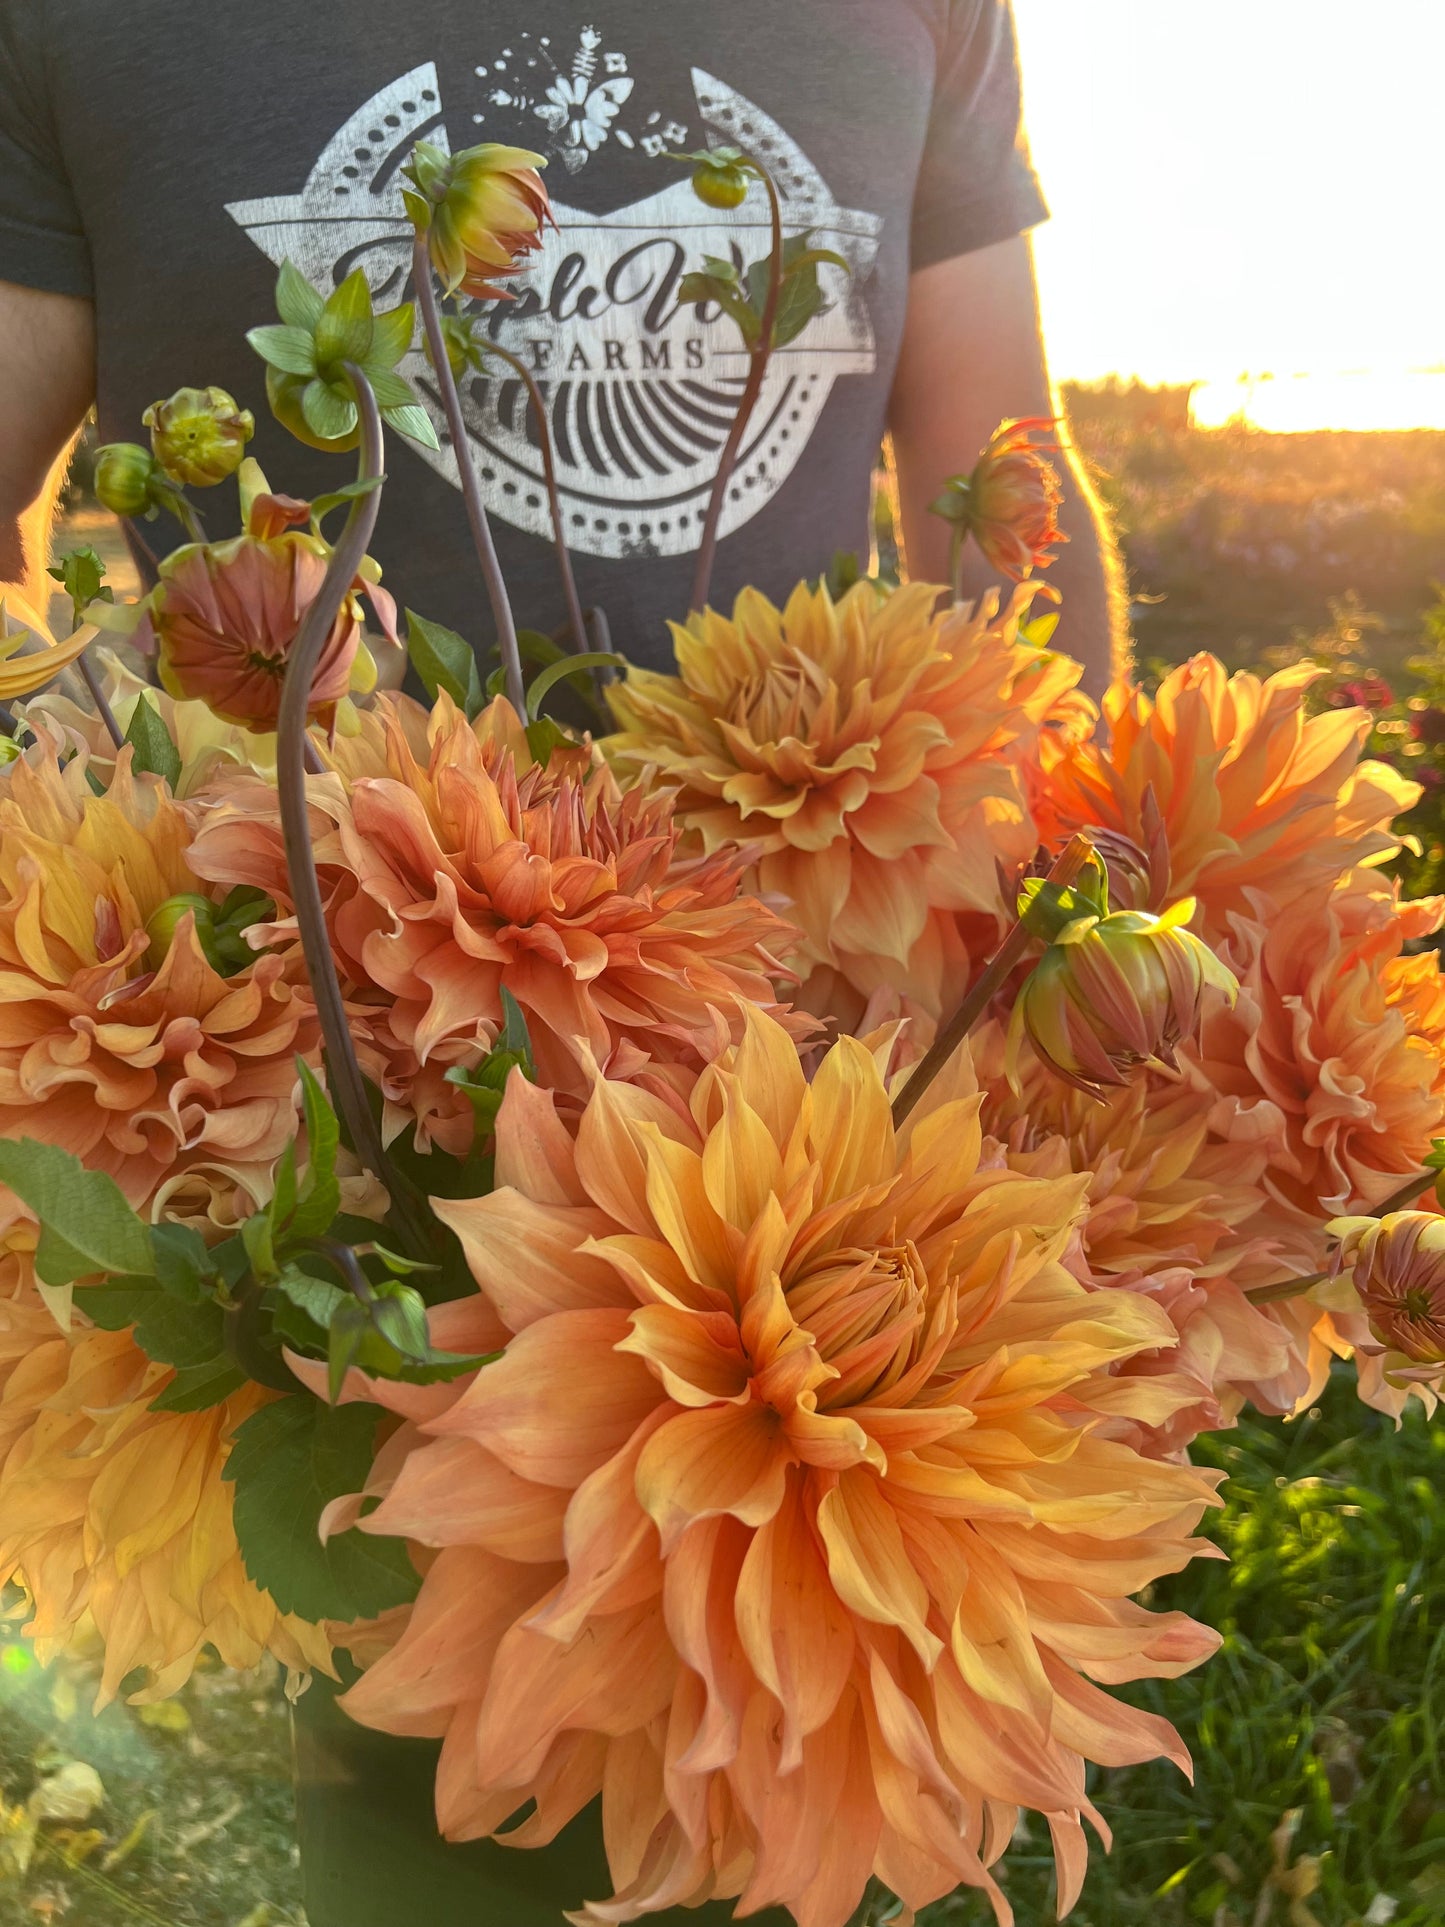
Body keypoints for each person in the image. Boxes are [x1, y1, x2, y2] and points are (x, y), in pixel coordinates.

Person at [0, 0, 1123, 690]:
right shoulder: (72, 21)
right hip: (286, 1003)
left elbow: (1000, 487)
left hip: (802, 994)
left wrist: (1033, 883)